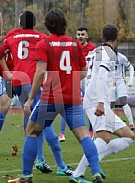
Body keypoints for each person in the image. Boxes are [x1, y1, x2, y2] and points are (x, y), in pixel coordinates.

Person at [8, 9, 102, 183]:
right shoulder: (75, 44)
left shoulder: (44, 44)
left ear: (48, 25)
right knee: (83, 135)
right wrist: (68, 79)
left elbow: (40, 72)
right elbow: (82, 72)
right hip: (72, 97)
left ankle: (26, 176)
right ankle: (96, 172)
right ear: (64, 24)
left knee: (31, 131)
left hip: (51, 96)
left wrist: (30, 98)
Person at [0, 11, 73, 176]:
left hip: (16, 81)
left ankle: (40, 159)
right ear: (34, 23)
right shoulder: (42, 37)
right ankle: (61, 166)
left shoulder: (12, 37)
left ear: (20, 23)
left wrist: (7, 73)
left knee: (31, 118)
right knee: (45, 122)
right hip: (32, 82)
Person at [70, 24, 134, 182]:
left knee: (128, 136)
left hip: (96, 100)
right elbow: (100, 76)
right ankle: (77, 173)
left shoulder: (94, 51)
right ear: (117, 38)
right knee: (104, 138)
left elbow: (86, 74)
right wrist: (99, 101)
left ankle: (95, 161)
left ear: (102, 37)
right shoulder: (107, 54)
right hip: (96, 101)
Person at [59, 27, 96, 142]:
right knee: (66, 104)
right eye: (79, 34)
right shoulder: (72, 47)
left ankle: (90, 131)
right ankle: (61, 133)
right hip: (74, 78)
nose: (80, 36)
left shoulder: (93, 49)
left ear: (87, 36)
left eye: (82, 34)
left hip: (87, 79)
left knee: (90, 104)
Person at [109, 51, 134, 129]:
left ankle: (131, 124)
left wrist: (130, 80)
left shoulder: (121, 57)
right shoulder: (104, 58)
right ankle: (111, 124)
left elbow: (130, 67)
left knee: (123, 101)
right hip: (110, 83)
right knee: (111, 104)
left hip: (120, 82)